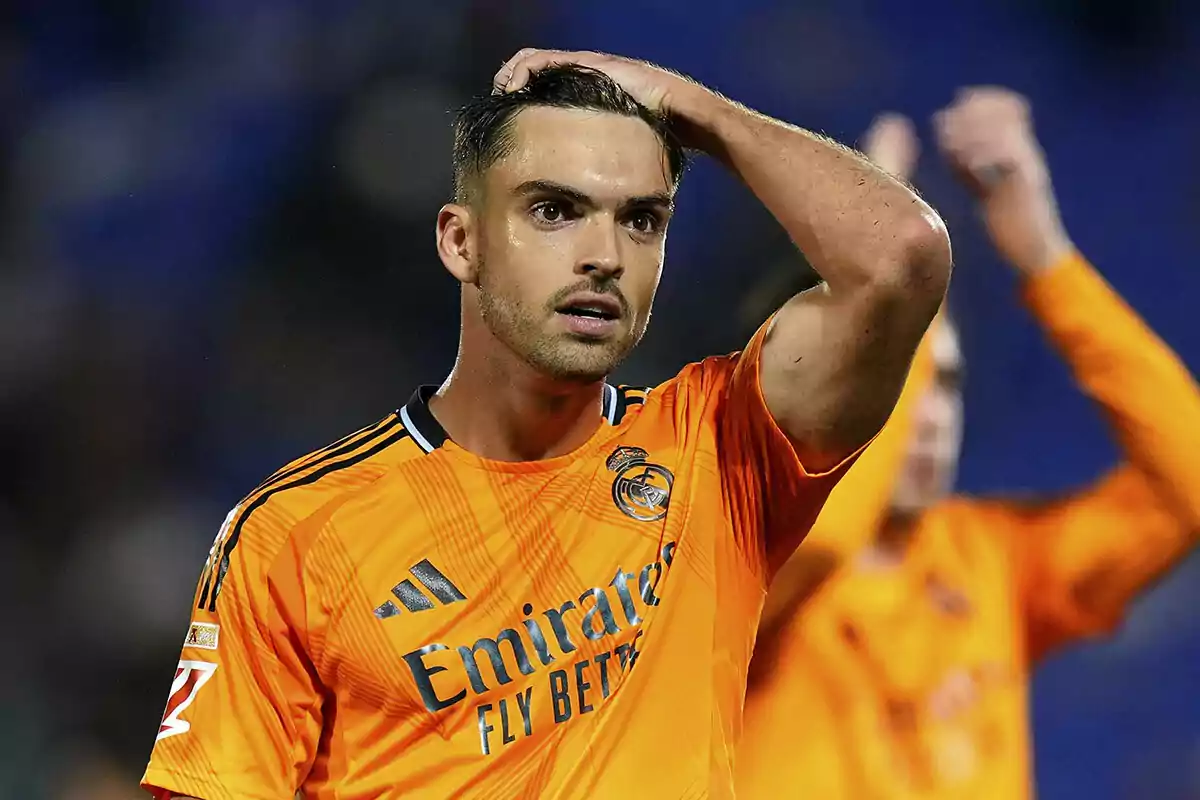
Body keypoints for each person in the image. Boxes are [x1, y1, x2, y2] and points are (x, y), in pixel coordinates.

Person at [139, 49, 950, 799]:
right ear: (462, 241)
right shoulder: (296, 534)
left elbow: (903, 257)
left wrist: (690, 107)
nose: (604, 253)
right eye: (555, 211)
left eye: (641, 220)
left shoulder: (720, 450)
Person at [735, 87, 1200, 800]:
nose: (929, 417)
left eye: (944, 385)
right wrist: (890, 279)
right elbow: (825, 538)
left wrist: (1046, 259)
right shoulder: (735, 563)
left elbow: (1190, 480)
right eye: (901, 381)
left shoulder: (991, 563)